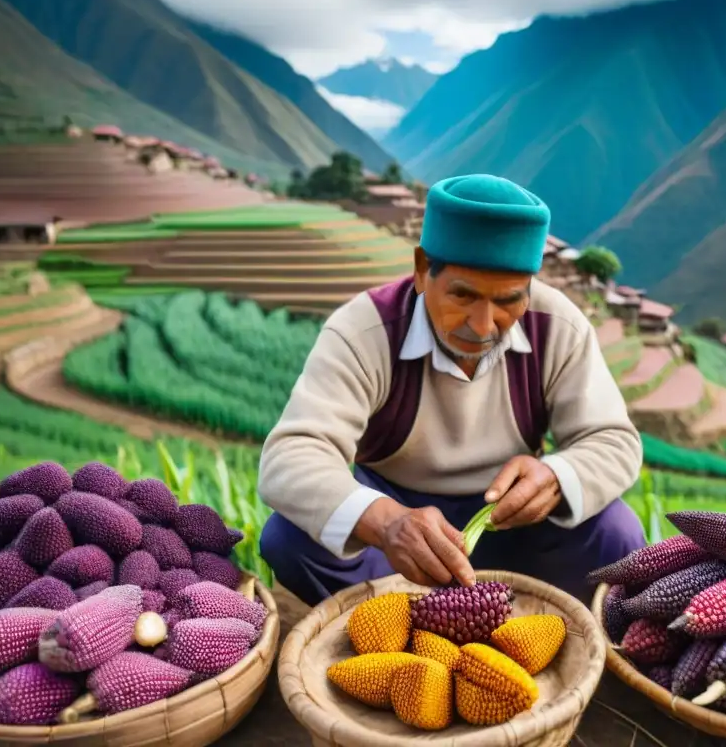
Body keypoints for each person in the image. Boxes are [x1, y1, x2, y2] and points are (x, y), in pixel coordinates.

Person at [257, 173, 645, 606]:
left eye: (508, 301)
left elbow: (614, 439)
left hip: (512, 529)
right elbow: (289, 457)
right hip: (396, 538)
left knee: (616, 535)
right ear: (423, 270)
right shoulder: (364, 331)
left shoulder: (558, 327)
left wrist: (556, 477)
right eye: (463, 295)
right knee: (289, 538)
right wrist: (386, 523)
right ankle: (396, 621)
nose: (483, 326)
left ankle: (525, 623)